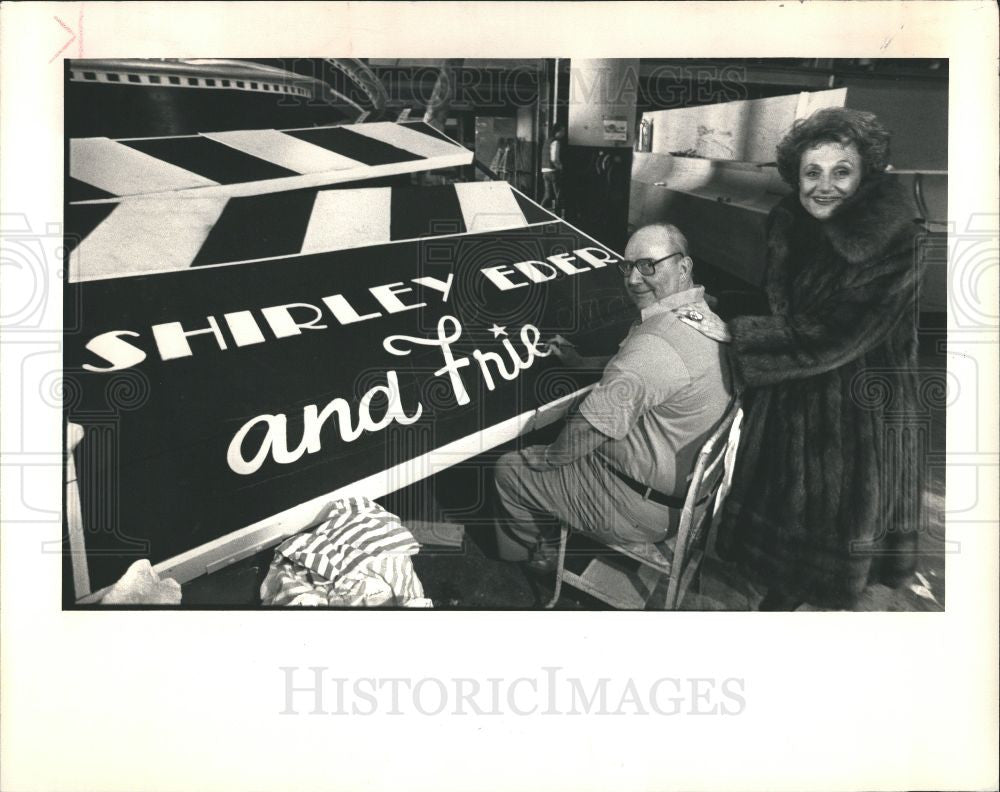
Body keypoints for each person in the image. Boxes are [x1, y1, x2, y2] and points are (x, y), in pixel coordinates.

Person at [714, 107, 924, 610]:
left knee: (822, 548)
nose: (823, 186)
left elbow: (837, 335)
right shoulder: (794, 225)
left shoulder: (895, 243)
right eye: (812, 172)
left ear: (865, 175)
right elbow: (788, 307)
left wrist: (735, 334)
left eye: (841, 172)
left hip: (854, 420)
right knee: (786, 532)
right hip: (800, 401)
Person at [493, 223, 733, 570]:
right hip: (690, 496)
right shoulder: (701, 315)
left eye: (649, 265)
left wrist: (545, 458)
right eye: (628, 266)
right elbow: (653, 371)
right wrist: (582, 363)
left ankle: (532, 557)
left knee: (510, 469)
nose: (634, 279)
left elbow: (587, 429)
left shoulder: (654, 346)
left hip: (638, 509)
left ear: (684, 267)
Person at [540, 124, 566, 215]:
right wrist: (560, 167)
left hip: (545, 171)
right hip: (553, 172)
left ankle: (538, 212)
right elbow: (554, 158)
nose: (564, 133)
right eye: (562, 131)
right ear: (557, 132)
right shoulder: (556, 142)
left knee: (547, 195)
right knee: (558, 195)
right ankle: (558, 217)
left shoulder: (547, 141)